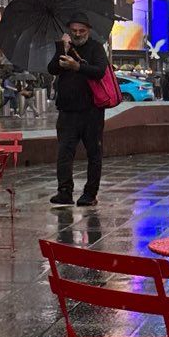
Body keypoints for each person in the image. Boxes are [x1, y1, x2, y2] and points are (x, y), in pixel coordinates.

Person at [49, 13, 109, 207]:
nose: (77, 34)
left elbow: (100, 71)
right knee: (64, 153)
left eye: (81, 31)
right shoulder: (66, 47)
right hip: (67, 112)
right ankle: (64, 191)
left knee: (94, 153)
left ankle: (90, 194)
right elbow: (52, 69)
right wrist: (61, 48)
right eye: (74, 31)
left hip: (91, 112)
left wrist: (78, 67)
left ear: (88, 31)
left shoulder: (96, 48)